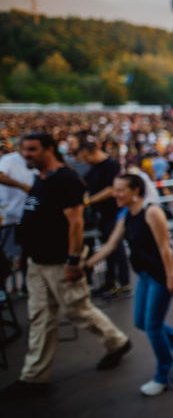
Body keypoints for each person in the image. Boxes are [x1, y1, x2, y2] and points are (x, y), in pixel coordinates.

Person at [0, 133, 130, 399]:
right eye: (24, 150)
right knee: (40, 317)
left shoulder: (66, 179)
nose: (26, 155)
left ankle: (116, 342)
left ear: (49, 149)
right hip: (38, 260)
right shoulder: (41, 178)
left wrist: (73, 260)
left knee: (78, 309)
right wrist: (26, 253)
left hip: (59, 260)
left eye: (32, 150)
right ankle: (34, 376)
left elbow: (76, 223)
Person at [84, 174, 173, 396]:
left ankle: (165, 373)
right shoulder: (125, 215)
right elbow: (111, 245)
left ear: (135, 191)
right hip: (144, 275)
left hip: (160, 275)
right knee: (141, 322)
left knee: (152, 326)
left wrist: (171, 277)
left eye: (120, 190)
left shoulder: (152, 212)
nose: (115, 194)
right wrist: (85, 265)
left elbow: (165, 248)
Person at [77, 138, 131, 298]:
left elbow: (110, 189)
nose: (85, 161)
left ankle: (123, 283)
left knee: (116, 249)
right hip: (101, 215)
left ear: (93, 152)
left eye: (86, 157)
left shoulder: (111, 165)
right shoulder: (94, 169)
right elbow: (85, 186)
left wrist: (88, 201)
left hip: (112, 214)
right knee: (109, 250)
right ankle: (110, 282)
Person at [0, 140, 36, 293]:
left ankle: (25, 285)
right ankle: (3, 290)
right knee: (6, 255)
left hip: (28, 215)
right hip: (9, 215)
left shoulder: (36, 162)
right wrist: (22, 186)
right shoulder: (9, 160)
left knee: (26, 252)